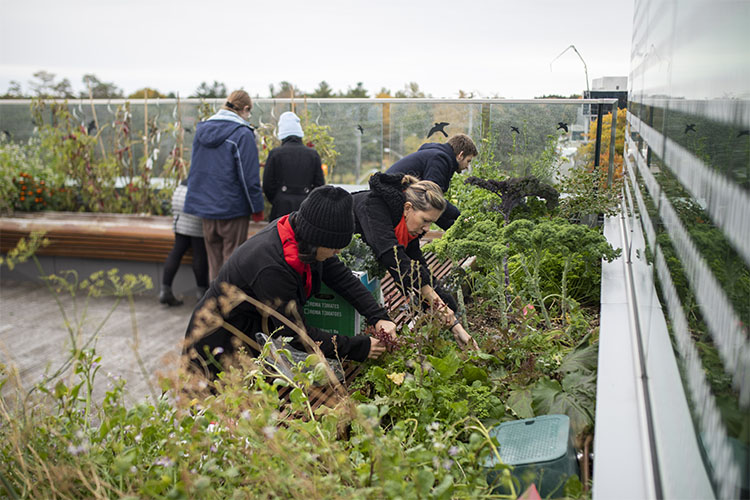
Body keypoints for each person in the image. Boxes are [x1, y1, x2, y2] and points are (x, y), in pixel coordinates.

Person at [183, 185, 398, 379]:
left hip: (251, 335)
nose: (338, 252)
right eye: (334, 247)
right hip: (217, 346)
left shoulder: (301, 234)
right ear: (317, 239)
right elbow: (295, 335)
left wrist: (377, 316)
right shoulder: (273, 268)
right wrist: (359, 347)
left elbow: (340, 276)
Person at [352, 172, 478, 349]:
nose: (426, 229)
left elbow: (420, 270)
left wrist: (454, 322)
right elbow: (395, 261)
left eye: (431, 223)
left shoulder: (407, 229)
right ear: (408, 208)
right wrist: (441, 307)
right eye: (425, 220)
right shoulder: (374, 206)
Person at [184, 90, 265, 281]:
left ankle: (215, 306)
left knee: (215, 262)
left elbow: (196, 169)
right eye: (249, 112)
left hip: (206, 210)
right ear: (245, 109)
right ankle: (229, 307)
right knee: (233, 262)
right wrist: (257, 207)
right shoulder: (242, 134)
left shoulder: (202, 131)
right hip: (232, 208)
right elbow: (249, 176)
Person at [386, 133, 478, 230]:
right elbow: (432, 200)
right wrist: (461, 217)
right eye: (468, 161)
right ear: (460, 155)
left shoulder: (434, 156)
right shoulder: (439, 160)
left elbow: (433, 207)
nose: (467, 167)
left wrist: (454, 228)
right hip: (389, 200)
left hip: (393, 201)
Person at [262, 111, 325, 221]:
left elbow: (268, 185)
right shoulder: (312, 154)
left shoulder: (275, 154)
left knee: (279, 236)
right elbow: (319, 184)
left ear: (282, 133)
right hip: (306, 206)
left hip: (281, 207)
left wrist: (278, 199)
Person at [159, 179, 209, 306]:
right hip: (195, 196)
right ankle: (202, 297)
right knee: (199, 252)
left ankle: (165, 291)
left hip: (180, 192)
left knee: (178, 248)